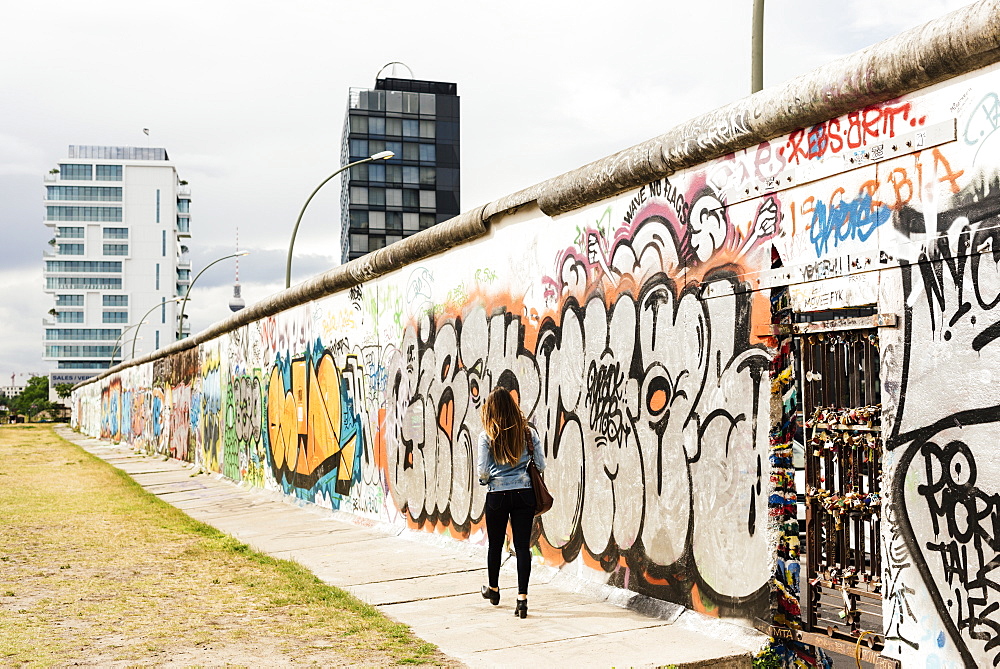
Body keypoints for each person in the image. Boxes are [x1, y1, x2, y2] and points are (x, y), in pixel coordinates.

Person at [476, 386, 545, 619]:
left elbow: (483, 473)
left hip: (497, 495)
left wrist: (488, 479)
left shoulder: (486, 436)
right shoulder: (528, 433)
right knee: (523, 546)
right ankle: (522, 599)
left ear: (491, 409)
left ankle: (494, 590)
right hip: (525, 493)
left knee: (495, 545)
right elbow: (541, 466)